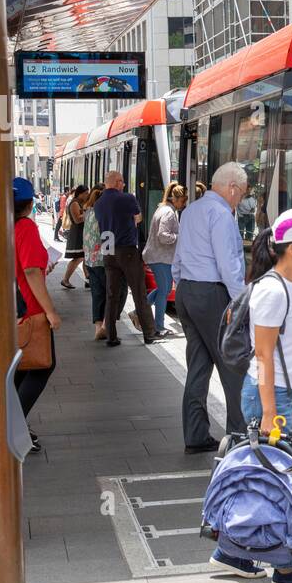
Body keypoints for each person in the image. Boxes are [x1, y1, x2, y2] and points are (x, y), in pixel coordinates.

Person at [207, 207, 292, 583]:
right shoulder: (272, 289)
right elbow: (263, 355)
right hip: (271, 397)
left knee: (269, 476)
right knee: (275, 479)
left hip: (282, 395)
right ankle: (283, 567)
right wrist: (269, 412)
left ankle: (234, 551)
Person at [172, 162, 250, 453]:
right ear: (231, 187)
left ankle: (195, 435)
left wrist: (183, 286)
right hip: (210, 295)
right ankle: (239, 439)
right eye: (240, 194)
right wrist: (243, 306)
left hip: (188, 292)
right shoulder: (221, 215)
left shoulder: (191, 210)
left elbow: (178, 258)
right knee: (234, 366)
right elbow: (228, 266)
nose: (239, 200)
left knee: (198, 366)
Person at [12, 177, 61, 453]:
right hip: (31, 309)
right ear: (30, 204)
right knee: (43, 365)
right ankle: (14, 427)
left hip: (15, 308)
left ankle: (14, 423)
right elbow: (30, 271)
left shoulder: (4, 226)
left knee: (22, 368)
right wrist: (50, 312)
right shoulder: (26, 227)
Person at [94, 170, 156, 346]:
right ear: (116, 182)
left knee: (111, 295)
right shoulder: (127, 198)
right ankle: (149, 333)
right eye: (121, 181)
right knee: (139, 292)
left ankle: (111, 336)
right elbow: (138, 217)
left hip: (108, 250)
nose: (123, 185)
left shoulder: (98, 203)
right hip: (126, 249)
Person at [138, 182, 187, 338]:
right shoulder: (169, 212)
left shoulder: (164, 209)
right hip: (161, 257)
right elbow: (163, 235)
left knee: (163, 289)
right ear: (175, 198)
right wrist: (180, 237)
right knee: (164, 291)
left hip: (158, 256)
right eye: (183, 200)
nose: (184, 203)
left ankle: (138, 312)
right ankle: (158, 326)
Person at [80, 184, 108, 340]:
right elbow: (108, 236)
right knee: (111, 293)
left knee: (97, 295)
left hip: (90, 260)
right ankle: (105, 325)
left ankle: (98, 328)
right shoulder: (103, 214)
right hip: (103, 260)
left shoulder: (88, 212)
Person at [60, 185, 87, 288]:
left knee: (84, 257)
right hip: (77, 234)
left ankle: (88, 279)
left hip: (81, 233)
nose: (87, 195)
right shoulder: (75, 203)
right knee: (78, 258)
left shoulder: (80, 202)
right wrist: (88, 214)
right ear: (80, 193)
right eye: (85, 193)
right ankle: (65, 279)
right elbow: (77, 219)